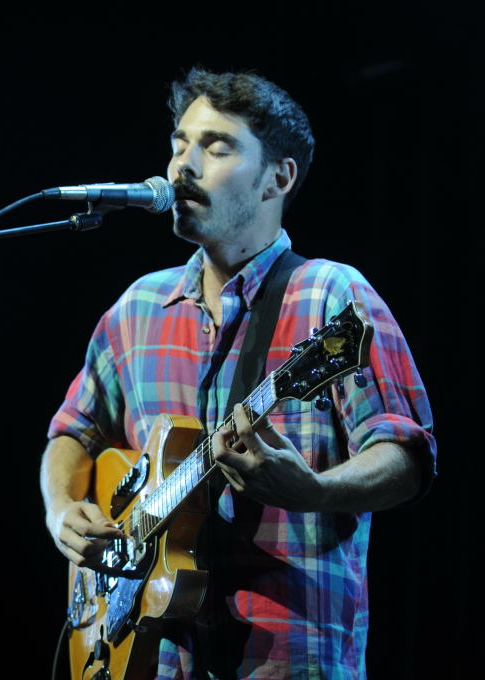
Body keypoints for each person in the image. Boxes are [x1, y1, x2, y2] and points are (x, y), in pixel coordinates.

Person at [41, 68, 436, 679]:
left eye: (217, 147)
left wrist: (316, 491)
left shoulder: (331, 296)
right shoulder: (136, 309)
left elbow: (406, 454)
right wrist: (62, 510)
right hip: (155, 658)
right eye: (179, 144)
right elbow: (73, 431)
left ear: (278, 178)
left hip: (287, 658)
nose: (183, 166)